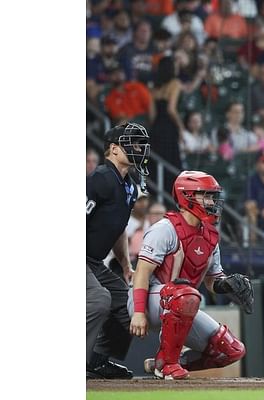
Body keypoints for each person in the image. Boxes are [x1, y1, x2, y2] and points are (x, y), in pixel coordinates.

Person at [128, 171, 253, 380]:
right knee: (186, 294)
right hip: (146, 298)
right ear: (187, 196)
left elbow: (212, 282)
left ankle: (163, 360)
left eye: (213, 196)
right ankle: (168, 365)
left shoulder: (210, 235)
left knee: (231, 350)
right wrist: (139, 312)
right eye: (206, 195)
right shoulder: (165, 229)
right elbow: (141, 272)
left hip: (182, 302)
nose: (212, 201)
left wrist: (229, 284)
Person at [86, 122, 150, 379]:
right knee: (99, 299)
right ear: (113, 149)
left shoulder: (130, 184)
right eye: (132, 144)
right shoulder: (101, 177)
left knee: (129, 304)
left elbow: (118, 227)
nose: (138, 149)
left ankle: (97, 361)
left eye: (139, 144)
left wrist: (125, 266)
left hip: (93, 262)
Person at [148, 56, 184, 190]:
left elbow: (152, 115)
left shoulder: (154, 88)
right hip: (169, 128)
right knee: (171, 164)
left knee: (156, 167)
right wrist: (181, 128)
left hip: (156, 129)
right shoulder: (175, 83)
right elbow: (171, 109)